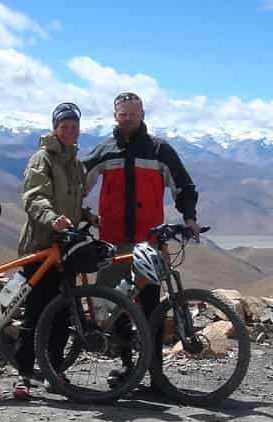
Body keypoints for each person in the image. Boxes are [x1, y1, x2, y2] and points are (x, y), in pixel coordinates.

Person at [82, 92, 201, 385]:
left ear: (143, 115)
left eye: (133, 114)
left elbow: (183, 186)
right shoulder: (105, 150)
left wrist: (190, 219)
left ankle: (155, 373)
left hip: (149, 241)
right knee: (116, 306)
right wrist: (78, 214)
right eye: (122, 114)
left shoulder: (160, 150)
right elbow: (78, 183)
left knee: (151, 307)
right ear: (115, 116)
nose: (128, 119)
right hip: (112, 242)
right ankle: (125, 367)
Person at [12, 102, 96, 400]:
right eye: (64, 127)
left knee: (62, 314)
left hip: (65, 249)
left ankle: (54, 371)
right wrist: (52, 219)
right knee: (34, 313)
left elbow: (70, 201)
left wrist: (85, 216)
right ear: (55, 128)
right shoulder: (42, 158)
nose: (70, 131)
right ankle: (22, 376)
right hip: (41, 247)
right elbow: (34, 197)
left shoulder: (75, 162)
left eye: (74, 126)